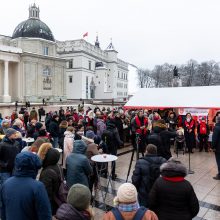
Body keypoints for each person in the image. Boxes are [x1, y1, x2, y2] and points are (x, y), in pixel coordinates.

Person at [0, 151, 52, 220]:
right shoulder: (38, 187)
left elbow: (3, 212)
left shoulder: (6, 184)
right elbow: (45, 215)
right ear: (34, 167)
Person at [39, 145, 62, 215]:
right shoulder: (57, 166)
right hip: (57, 201)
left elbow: (46, 193)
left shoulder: (47, 172)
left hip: (51, 204)